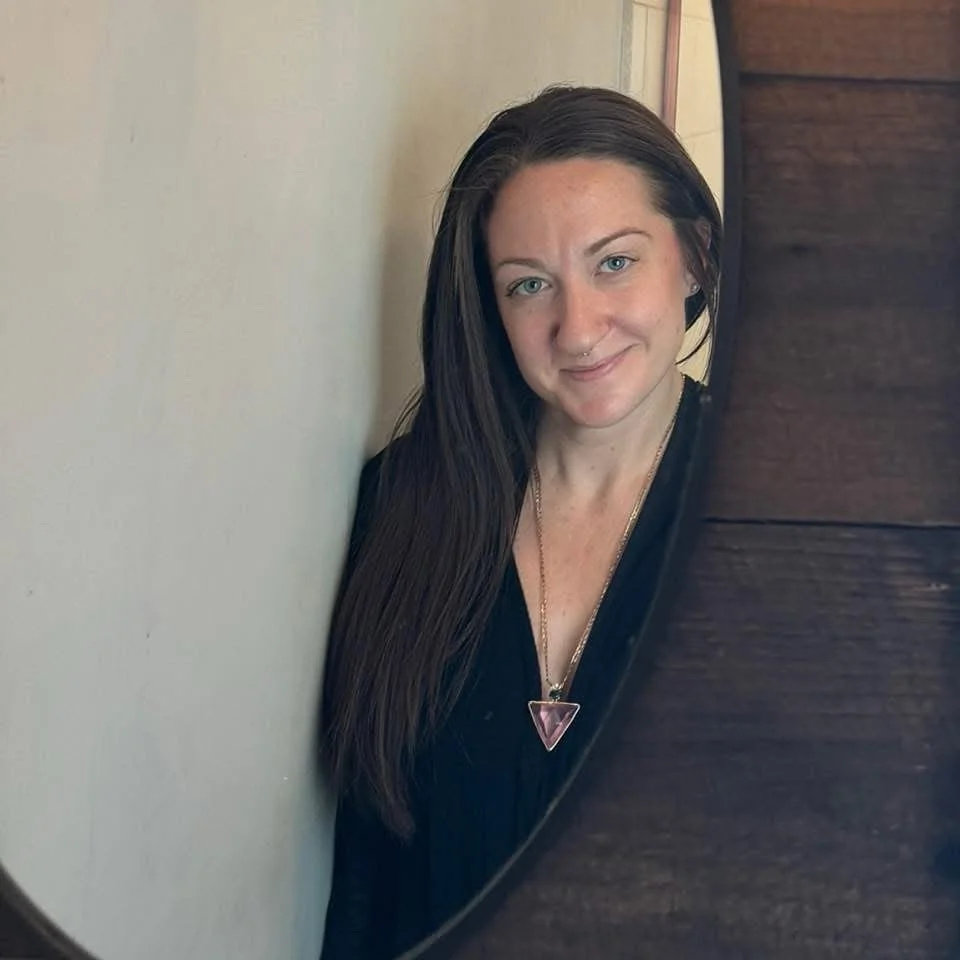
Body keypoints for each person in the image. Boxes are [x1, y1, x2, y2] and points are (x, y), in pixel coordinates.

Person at [319, 85, 722, 959]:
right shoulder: (408, 500)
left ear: (692, 258)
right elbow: (364, 873)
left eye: (615, 263)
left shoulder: (776, 520)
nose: (577, 328)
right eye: (529, 284)